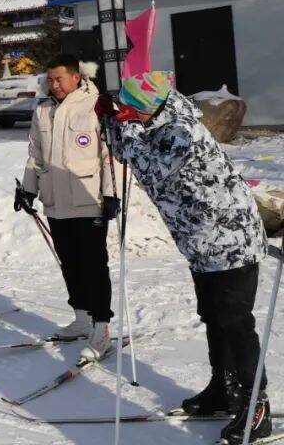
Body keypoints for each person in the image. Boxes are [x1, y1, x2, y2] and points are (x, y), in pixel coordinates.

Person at [102, 71, 270, 444]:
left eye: (131, 109)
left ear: (147, 107)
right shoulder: (159, 117)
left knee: (236, 323)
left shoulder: (182, 131)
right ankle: (223, 389)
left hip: (230, 239)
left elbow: (148, 168)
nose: (128, 115)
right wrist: (111, 123)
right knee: (213, 317)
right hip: (202, 242)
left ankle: (255, 406)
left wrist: (122, 126)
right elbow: (127, 151)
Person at [21, 55, 117, 351]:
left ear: (77, 77)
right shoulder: (43, 108)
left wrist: (112, 193)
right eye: (50, 79)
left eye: (59, 78)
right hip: (55, 201)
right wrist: (28, 189)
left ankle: (101, 327)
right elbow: (35, 154)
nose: (54, 84)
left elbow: (110, 153)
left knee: (93, 264)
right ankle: (81, 318)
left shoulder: (96, 104)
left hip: (87, 199)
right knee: (70, 263)